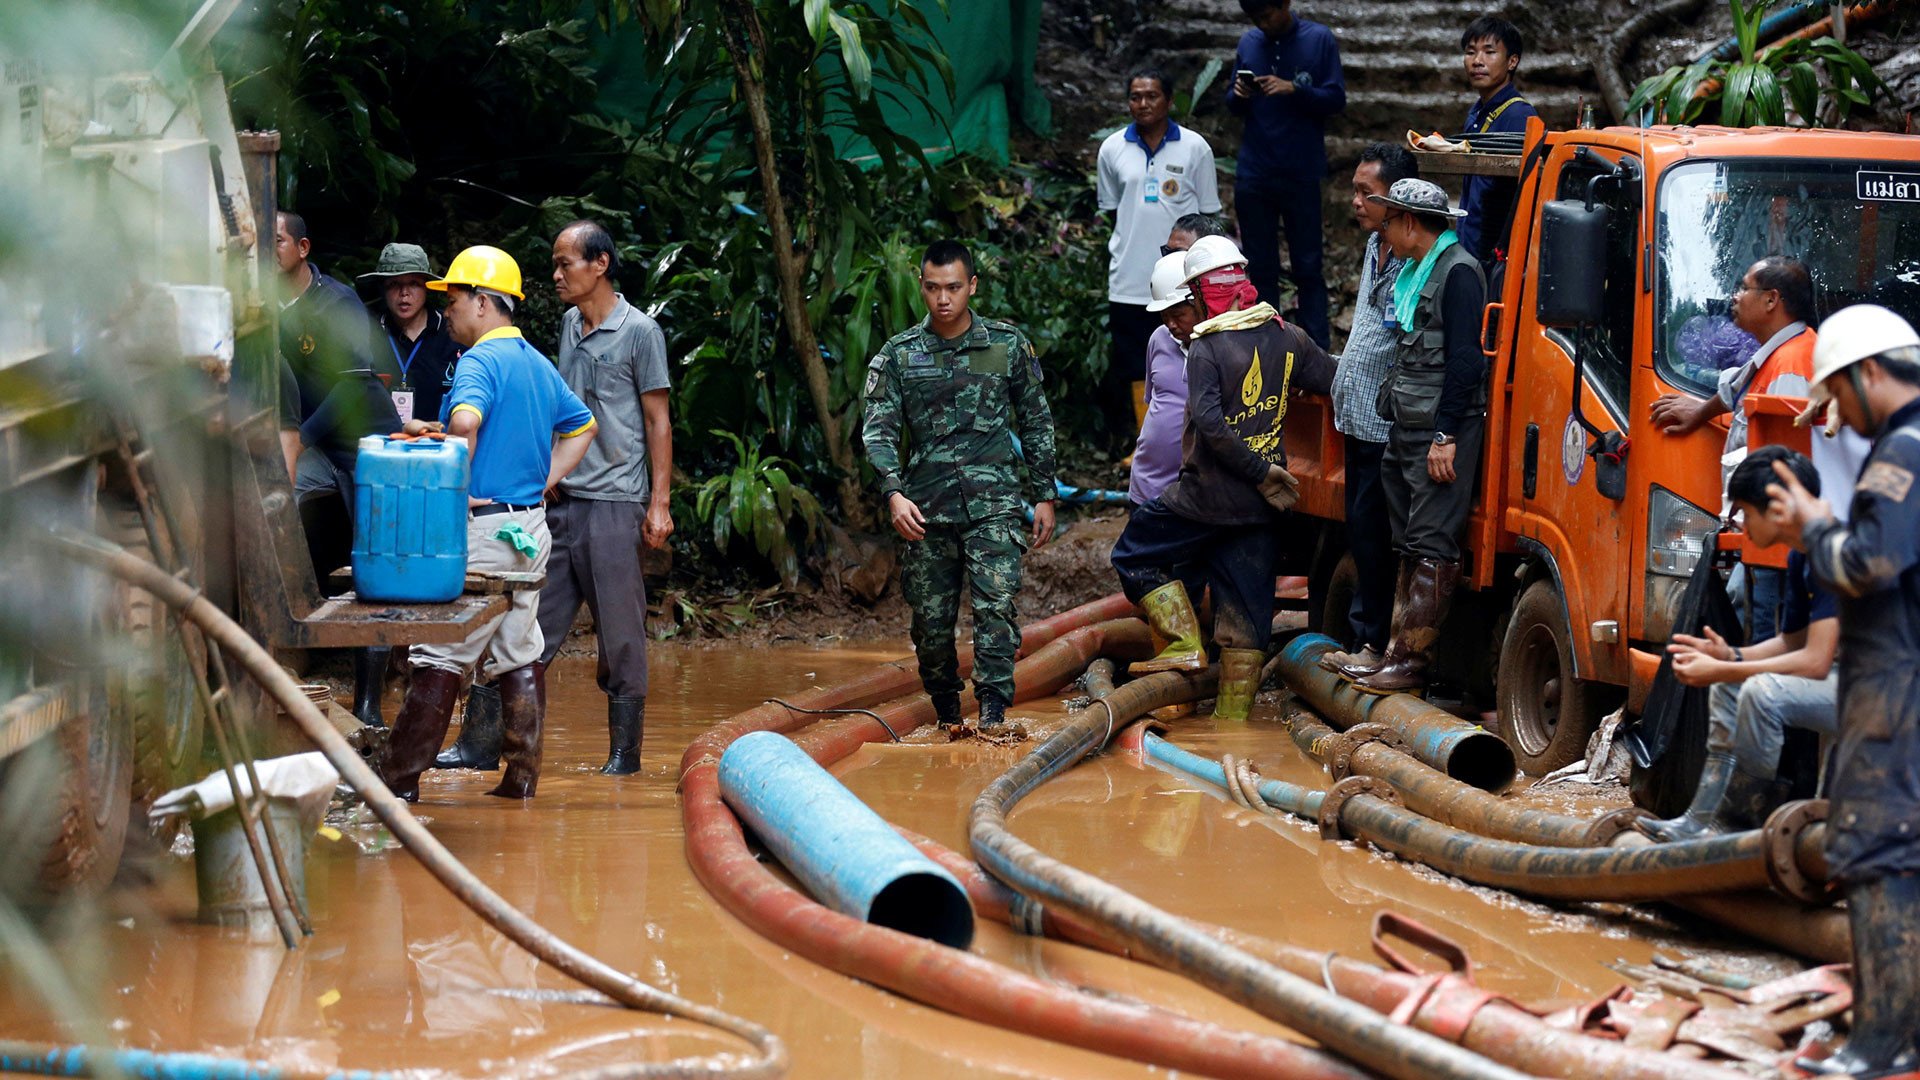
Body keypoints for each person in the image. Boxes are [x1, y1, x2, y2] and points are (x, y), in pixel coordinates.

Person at [1762, 304, 1920, 1078]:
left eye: (1836, 399)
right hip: (1899, 681)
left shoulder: (1905, 451)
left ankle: (1882, 1049)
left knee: (1878, 851)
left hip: (1900, 692)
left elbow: (1867, 565)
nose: (1836, 420)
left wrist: (1816, 526)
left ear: (1865, 374)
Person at [377, 246, 597, 802]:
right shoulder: (535, 361)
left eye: (451, 301)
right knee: (519, 650)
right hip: (528, 532)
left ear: (480, 301)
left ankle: (397, 782)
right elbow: (583, 426)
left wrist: (456, 477)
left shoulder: (477, 361)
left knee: (440, 655)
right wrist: (542, 481)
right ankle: (520, 779)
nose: (446, 312)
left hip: (482, 534)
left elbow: (469, 420)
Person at [1110, 235, 1335, 719]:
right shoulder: (1288, 336)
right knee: (1247, 621)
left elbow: (1210, 424)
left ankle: (1183, 641)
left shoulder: (1208, 346)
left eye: (1193, 295)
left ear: (1205, 291)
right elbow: (1333, 379)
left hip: (1204, 497)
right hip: (1259, 511)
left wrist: (1256, 470)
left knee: (1132, 553)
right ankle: (1231, 729)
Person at [861, 240, 1058, 731]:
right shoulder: (900, 355)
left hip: (994, 506)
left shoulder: (1006, 345)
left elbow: (1035, 419)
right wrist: (893, 492)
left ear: (972, 285)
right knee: (930, 627)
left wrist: (1045, 493)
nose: (942, 299)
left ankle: (992, 716)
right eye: (932, 288)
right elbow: (878, 429)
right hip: (926, 511)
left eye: (953, 288)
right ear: (921, 287)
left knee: (996, 610)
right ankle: (948, 714)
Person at [1333, 180, 1485, 694]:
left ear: (1411, 224)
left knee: (1432, 542)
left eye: (1390, 222)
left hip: (1438, 432)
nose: (1384, 232)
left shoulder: (1459, 272)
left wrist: (1446, 436)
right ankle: (1395, 655)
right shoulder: (1416, 271)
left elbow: (1466, 361)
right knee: (1408, 542)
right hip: (1406, 423)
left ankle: (1411, 664)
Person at [1643, 448, 1838, 841]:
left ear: (1776, 507)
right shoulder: (1801, 558)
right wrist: (1730, 656)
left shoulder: (1833, 551)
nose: (1741, 524)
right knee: (1732, 688)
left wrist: (1727, 667)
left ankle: (1737, 827)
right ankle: (1701, 820)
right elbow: (1793, 642)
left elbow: (1816, 662)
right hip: (1846, 683)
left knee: (1761, 693)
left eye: (1746, 511)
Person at [274, 211, 402, 728]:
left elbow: (352, 385)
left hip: (357, 440)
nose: (267, 249)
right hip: (307, 442)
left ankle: (369, 702)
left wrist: (299, 439)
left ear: (303, 248)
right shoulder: (261, 306)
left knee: (370, 563)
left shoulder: (337, 301)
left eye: (277, 240)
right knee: (275, 518)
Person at [1652, 256, 1818, 643]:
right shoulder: (1778, 351)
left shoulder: (1792, 364)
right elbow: (1737, 387)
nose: (1735, 296)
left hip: (1776, 547)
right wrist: (1700, 412)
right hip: (1764, 539)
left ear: (1772, 299)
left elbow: (1788, 464)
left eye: (1745, 288)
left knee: (1758, 629)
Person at [1318, 143, 1418, 674]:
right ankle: (1365, 639)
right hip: (1355, 417)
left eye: (1366, 192)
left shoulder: (1413, 261)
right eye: (1354, 190)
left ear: (1395, 199)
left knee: (1379, 536)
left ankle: (1374, 645)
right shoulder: (1373, 248)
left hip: (1385, 424)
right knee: (1361, 531)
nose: (1355, 201)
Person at [1098, 68, 1223, 454]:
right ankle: (1145, 444)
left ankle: (1192, 441)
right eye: (1135, 96)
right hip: (1129, 278)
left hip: (1184, 284)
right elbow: (1110, 210)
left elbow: (1208, 217)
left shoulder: (1195, 148)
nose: (1143, 104)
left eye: (1152, 96)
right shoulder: (1112, 149)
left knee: (1193, 355)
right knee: (1136, 365)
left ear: (1170, 101)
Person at [1227, 0, 1345, 349]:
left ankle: (1316, 350)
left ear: (1285, 4)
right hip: (1255, 171)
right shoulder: (1249, 42)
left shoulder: (1318, 38)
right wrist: (1237, 93)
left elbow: (1336, 99)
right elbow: (1232, 105)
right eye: (1256, 18)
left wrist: (1295, 89)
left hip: (1301, 170)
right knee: (1260, 267)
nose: (1263, 23)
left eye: (1267, 14)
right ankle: (1266, 348)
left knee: (1308, 266)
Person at [1455, 16, 1537, 264]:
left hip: (1495, 254)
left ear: (1512, 61)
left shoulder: (1519, 116)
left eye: (1489, 52)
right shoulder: (1477, 112)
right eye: (1470, 52)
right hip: (1469, 243)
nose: (1477, 61)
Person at [359, 243, 458, 430]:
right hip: (380, 445)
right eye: (394, 284)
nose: (404, 293)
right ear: (382, 289)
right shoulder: (366, 330)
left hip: (439, 444)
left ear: (427, 288)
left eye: (414, 283)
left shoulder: (452, 332)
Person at [1129, 251, 1202, 507]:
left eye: (1178, 314)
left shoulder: (1222, 349)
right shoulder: (1159, 338)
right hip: (1145, 485)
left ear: (1199, 303)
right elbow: (1155, 406)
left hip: (1192, 493)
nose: (1170, 324)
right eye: (1164, 316)